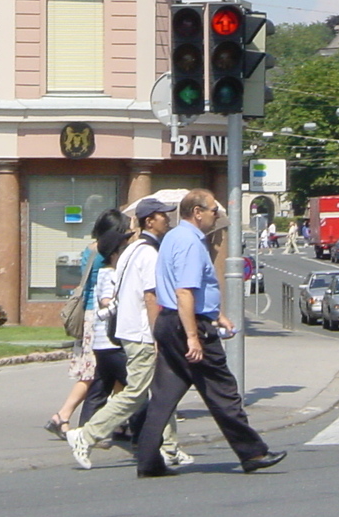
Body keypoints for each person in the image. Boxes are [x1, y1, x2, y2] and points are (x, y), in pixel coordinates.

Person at [135, 189, 283, 477]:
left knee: (164, 395)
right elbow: (185, 291)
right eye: (214, 210)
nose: (217, 215)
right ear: (197, 212)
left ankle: (148, 459)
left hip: (170, 321)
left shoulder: (173, 237)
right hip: (187, 325)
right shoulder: (190, 243)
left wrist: (217, 314)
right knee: (223, 390)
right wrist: (193, 335)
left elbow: (185, 290)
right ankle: (253, 452)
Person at [66, 196, 191, 470]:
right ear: (150, 220)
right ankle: (86, 435)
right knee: (136, 393)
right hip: (142, 333)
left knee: (162, 390)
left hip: (129, 331)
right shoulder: (148, 253)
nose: (168, 219)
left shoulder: (133, 250)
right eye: (163, 215)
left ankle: (170, 448)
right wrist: (159, 334)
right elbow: (150, 297)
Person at [48, 208, 131, 436]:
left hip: (90, 314)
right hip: (102, 316)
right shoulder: (105, 253)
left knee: (107, 373)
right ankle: (63, 415)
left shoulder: (89, 250)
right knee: (96, 373)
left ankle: (118, 419)